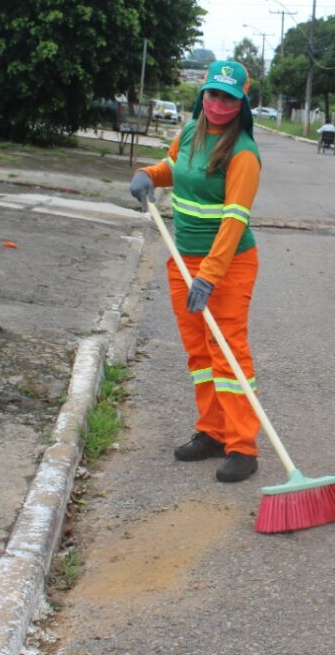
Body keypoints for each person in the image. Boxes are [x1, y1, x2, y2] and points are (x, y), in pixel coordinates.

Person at [128, 60, 263, 483]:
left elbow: (234, 220)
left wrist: (210, 274)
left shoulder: (243, 153)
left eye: (228, 97)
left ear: (241, 102)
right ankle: (212, 431)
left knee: (228, 353)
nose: (218, 103)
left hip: (226, 265)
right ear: (202, 94)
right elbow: (175, 168)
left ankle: (243, 446)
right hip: (182, 258)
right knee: (200, 355)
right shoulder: (190, 131)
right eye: (213, 94)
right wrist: (148, 174)